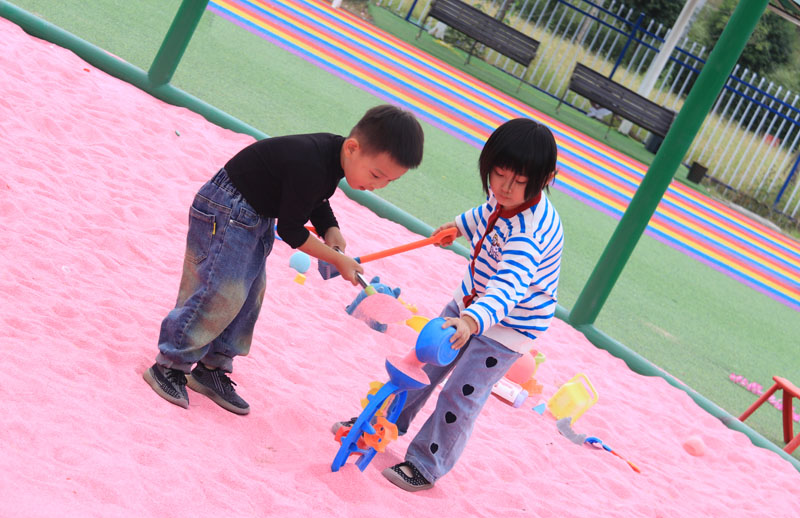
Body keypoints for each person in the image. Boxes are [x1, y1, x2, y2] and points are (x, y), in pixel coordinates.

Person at [144, 104, 425, 415]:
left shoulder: (332, 158)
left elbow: (316, 199)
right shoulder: (312, 162)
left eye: (388, 181)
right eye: (376, 175)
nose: (378, 186)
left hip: (253, 217)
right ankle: (169, 364)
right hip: (228, 208)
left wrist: (330, 228)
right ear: (353, 148)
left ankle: (211, 367)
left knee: (249, 297)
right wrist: (336, 259)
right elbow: (291, 230)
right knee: (220, 291)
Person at [335, 118, 561, 491]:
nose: (504, 187)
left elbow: (509, 287)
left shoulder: (529, 233)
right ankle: (382, 425)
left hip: (506, 326)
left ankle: (426, 464)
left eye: (519, 181)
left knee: (461, 392)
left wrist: (472, 322)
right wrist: (459, 226)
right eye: (498, 174)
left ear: (545, 178)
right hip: (470, 302)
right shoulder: (504, 197)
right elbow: (487, 212)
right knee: (419, 363)